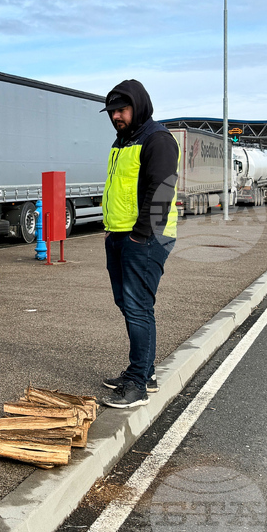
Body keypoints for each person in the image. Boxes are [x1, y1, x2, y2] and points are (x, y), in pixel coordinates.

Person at [99, 80, 179, 409]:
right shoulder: (122, 142)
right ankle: (144, 372)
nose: (117, 116)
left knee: (137, 306)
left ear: (138, 106)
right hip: (119, 233)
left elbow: (161, 191)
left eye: (122, 109)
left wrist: (140, 234)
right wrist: (112, 231)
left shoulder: (157, 139)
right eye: (113, 111)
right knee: (129, 303)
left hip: (144, 237)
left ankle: (137, 385)